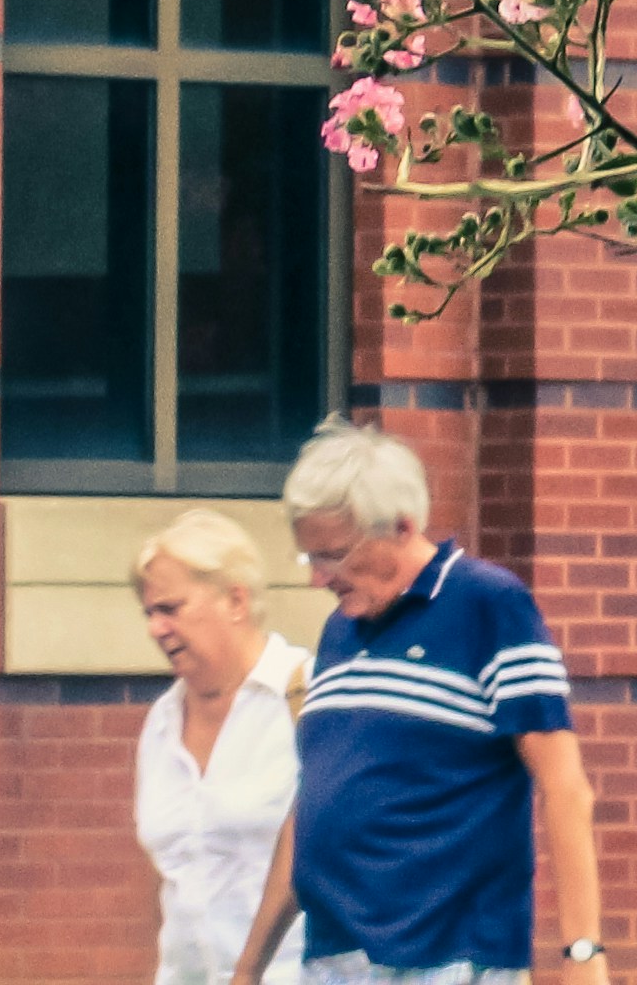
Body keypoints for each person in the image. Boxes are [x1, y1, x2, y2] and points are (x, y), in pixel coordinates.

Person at [226, 419, 606, 985]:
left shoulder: (490, 605)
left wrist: (582, 954)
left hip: (446, 960)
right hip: (334, 959)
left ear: (402, 528)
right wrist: (248, 970)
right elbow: (311, 811)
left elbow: (564, 786)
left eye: (333, 556)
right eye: (311, 559)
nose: (319, 579)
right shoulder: (340, 633)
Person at [133, 510, 308, 985]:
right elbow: (172, 880)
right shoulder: (161, 724)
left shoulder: (308, 698)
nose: (156, 628)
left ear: (235, 600)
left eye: (170, 608)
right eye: (149, 613)